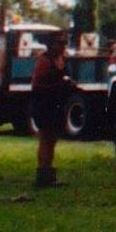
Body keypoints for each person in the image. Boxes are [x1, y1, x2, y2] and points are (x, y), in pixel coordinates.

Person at [30, 37, 72, 188]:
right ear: (51, 45)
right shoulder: (44, 61)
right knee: (45, 138)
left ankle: (49, 174)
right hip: (44, 104)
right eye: (59, 44)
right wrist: (58, 86)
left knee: (52, 139)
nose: (62, 47)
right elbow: (37, 85)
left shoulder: (61, 60)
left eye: (63, 44)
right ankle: (42, 174)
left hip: (56, 105)